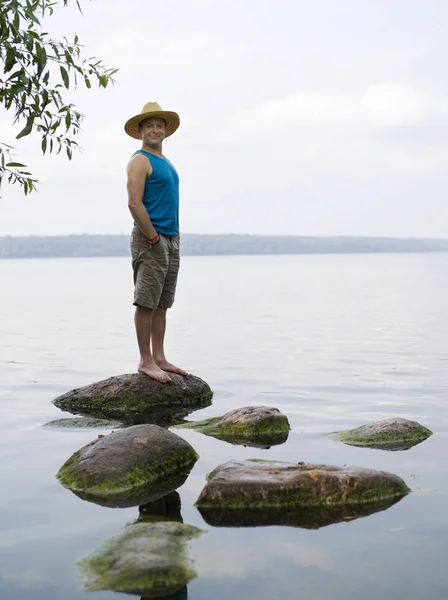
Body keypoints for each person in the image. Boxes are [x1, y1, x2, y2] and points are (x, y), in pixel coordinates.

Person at [125, 102, 187, 383]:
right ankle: (145, 361)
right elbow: (134, 203)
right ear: (140, 130)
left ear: (165, 130)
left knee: (162, 302)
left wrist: (171, 238)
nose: (154, 129)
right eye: (148, 125)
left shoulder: (165, 161)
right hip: (151, 238)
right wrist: (152, 236)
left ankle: (160, 357)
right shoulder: (140, 160)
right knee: (146, 301)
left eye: (158, 125)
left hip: (170, 238)